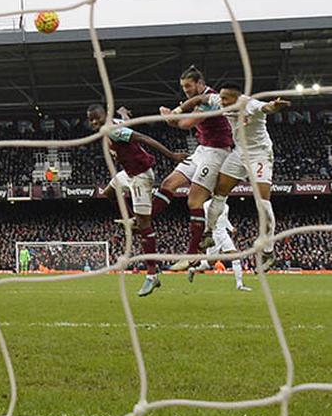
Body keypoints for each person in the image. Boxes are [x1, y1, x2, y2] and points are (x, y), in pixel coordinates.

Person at [176, 82, 289, 272]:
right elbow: (199, 99)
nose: (222, 101)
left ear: (237, 98)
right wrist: (178, 109)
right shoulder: (219, 101)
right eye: (221, 97)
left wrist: (274, 106)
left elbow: (266, 107)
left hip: (259, 155)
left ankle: (268, 252)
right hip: (239, 154)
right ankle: (208, 232)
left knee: (263, 204)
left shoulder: (249, 104)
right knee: (219, 193)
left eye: (226, 98)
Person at [89, 103, 187, 297]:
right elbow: (125, 125)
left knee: (145, 227)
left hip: (141, 176)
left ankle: (152, 275)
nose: (94, 122)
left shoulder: (114, 131)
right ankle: (130, 219)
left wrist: (172, 155)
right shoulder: (113, 126)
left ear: (105, 116)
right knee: (109, 191)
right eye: (90, 119)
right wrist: (124, 114)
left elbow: (144, 138)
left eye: (96, 118)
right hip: (129, 173)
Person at [156, 67, 234, 273]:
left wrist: (167, 116)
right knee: (168, 184)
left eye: (189, 87)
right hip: (202, 149)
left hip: (217, 152)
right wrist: (171, 117)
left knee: (194, 200)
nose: (186, 91)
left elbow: (185, 123)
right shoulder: (195, 99)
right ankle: (140, 222)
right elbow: (179, 120)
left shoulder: (211, 99)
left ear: (200, 83)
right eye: (183, 88)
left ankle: (193, 255)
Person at [188, 199, 251, 291]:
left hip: (224, 234)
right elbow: (204, 219)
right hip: (213, 236)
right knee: (210, 263)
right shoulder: (206, 205)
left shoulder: (226, 206)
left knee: (235, 257)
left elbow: (225, 219)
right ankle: (193, 270)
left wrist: (231, 228)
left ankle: (239, 284)